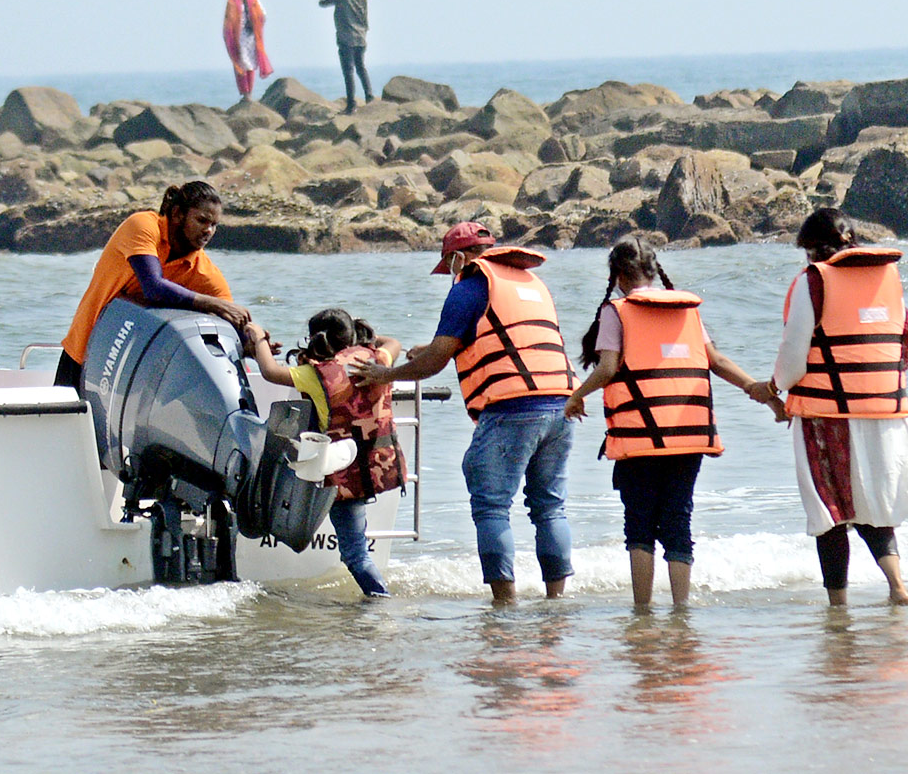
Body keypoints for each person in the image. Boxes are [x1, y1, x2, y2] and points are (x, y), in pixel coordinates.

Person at [353, 222, 579, 604]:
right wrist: (431, 347)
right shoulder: (527, 282)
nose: (450, 275)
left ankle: (504, 603)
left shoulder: (471, 285)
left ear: (458, 257)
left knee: (492, 505)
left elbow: (436, 362)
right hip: (561, 403)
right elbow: (506, 338)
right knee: (549, 507)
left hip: (512, 408)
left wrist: (383, 374)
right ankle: (556, 600)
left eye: (448, 266)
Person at [563, 236, 784, 607]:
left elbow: (608, 367)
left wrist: (576, 396)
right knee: (678, 519)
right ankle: (681, 607)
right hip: (688, 435)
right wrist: (756, 389)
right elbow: (715, 360)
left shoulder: (616, 311)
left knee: (640, 524)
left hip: (640, 438)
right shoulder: (687, 310)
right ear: (653, 270)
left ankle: (643, 609)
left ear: (617, 274)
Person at [747, 208, 908, 606]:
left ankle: (838, 606)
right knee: (873, 504)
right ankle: (898, 586)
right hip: (885, 412)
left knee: (829, 509)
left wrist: (771, 388)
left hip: (829, 416)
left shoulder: (814, 280)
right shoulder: (889, 278)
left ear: (812, 249)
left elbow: (794, 354)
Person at [245, 308, 406, 597]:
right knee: (356, 546)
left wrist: (258, 339)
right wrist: (363, 339)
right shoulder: (376, 359)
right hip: (372, 464)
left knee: (355, 553)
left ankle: (380, 600)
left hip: (339, 468)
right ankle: (378, 599)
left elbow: (269, 372)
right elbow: (394, 342)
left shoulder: (315, 374)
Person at [56, 181, 250, 391]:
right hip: (83, 350)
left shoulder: (204, 271)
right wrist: (213, 304)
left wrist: (253, 341)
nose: (208, 231)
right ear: (177, 214)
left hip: (128, 370)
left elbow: (233, 317)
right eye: (201, 220)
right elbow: (152, 286)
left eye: (214, 225)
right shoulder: (143, 226)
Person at [318, 0, 372, 114]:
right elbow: (364, 16)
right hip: (360, 36)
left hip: (346, 37)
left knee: (348, 71)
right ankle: (369, 96)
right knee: (361, 67)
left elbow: (322, 2)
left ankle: (351, 104)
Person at [222, 0, 273, 100]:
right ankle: (249, 93)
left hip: (238, 38)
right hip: (252, 37)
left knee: (240, 64)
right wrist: (256, 27)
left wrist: (227, 36)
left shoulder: (232, 2)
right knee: (250, 64)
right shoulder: (254, 0)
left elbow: (228, 22)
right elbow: (263, 15)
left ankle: (245, 94)